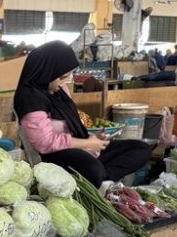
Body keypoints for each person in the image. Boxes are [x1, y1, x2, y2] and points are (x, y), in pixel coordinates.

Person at [13, 41, 152, 187]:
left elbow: (72, 117)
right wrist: (88, 143)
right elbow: (45, 143)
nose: (63, 83)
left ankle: (98, 177)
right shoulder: (30, 100)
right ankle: (96, 176)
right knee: (92, 169)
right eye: (61, 78)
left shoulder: (59, 90)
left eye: (66, 77)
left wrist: (93, 136)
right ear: (45, 72)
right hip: (55, 155)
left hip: (79, 146)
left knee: (140, 149)